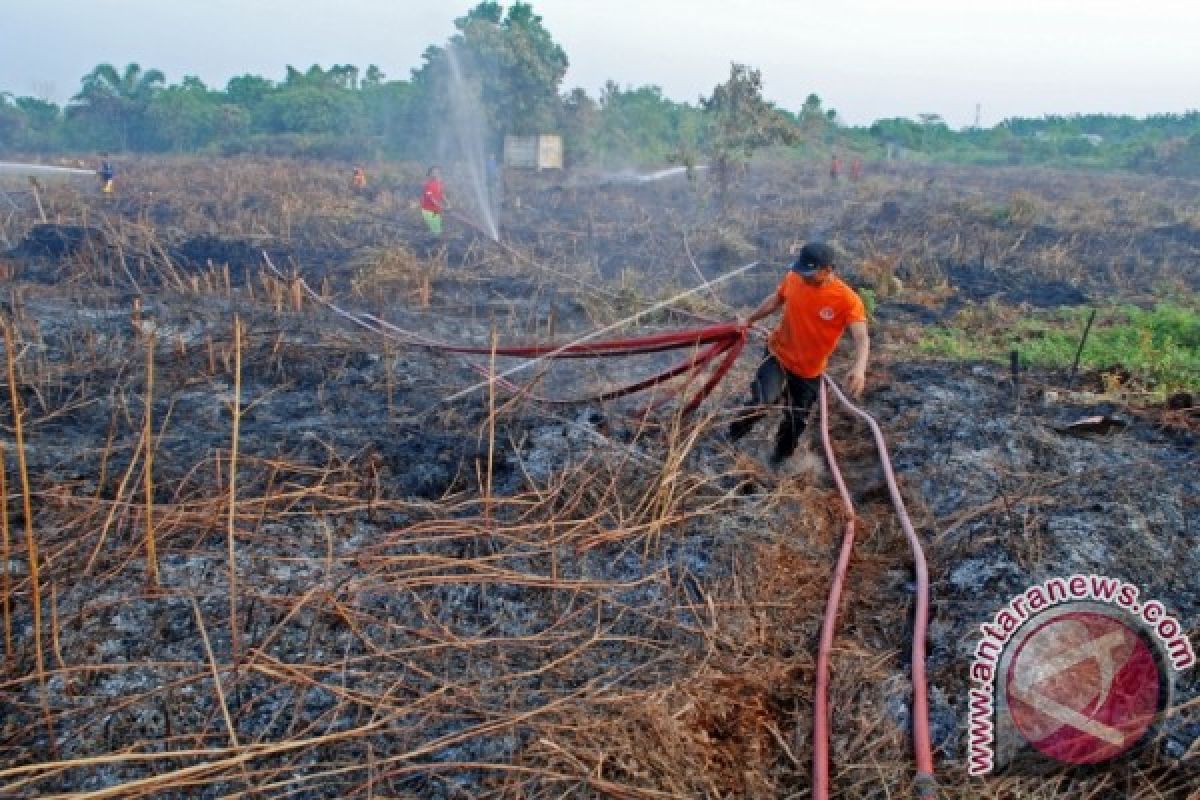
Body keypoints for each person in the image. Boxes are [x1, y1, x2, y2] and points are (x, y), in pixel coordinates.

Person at [728, 241, 869, 466]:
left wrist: (859, 368)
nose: (804, 277)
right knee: (762, 402)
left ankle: (777, 462)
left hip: (808, 371)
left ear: (828, 270)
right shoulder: (794, 277)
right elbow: (776, 299)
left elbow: (861, 338)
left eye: (810, 273)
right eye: (802, 270)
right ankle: (730, 439)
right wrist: (750, 320)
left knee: (796, 421)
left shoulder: (847, 300)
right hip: (778, 355)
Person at [420, 165, 446, 236]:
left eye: (437, 172)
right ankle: (428, 241)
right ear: (430, 174)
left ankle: (433, 240)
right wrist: (440, 205)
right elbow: (431, 198)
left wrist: (448, 203)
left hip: (435, 210)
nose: (436, 173)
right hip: (428, 211)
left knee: (438, 227)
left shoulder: (440, 183)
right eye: (434, 172)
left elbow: (442, 194)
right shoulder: (428, 185)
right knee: (436, 229)